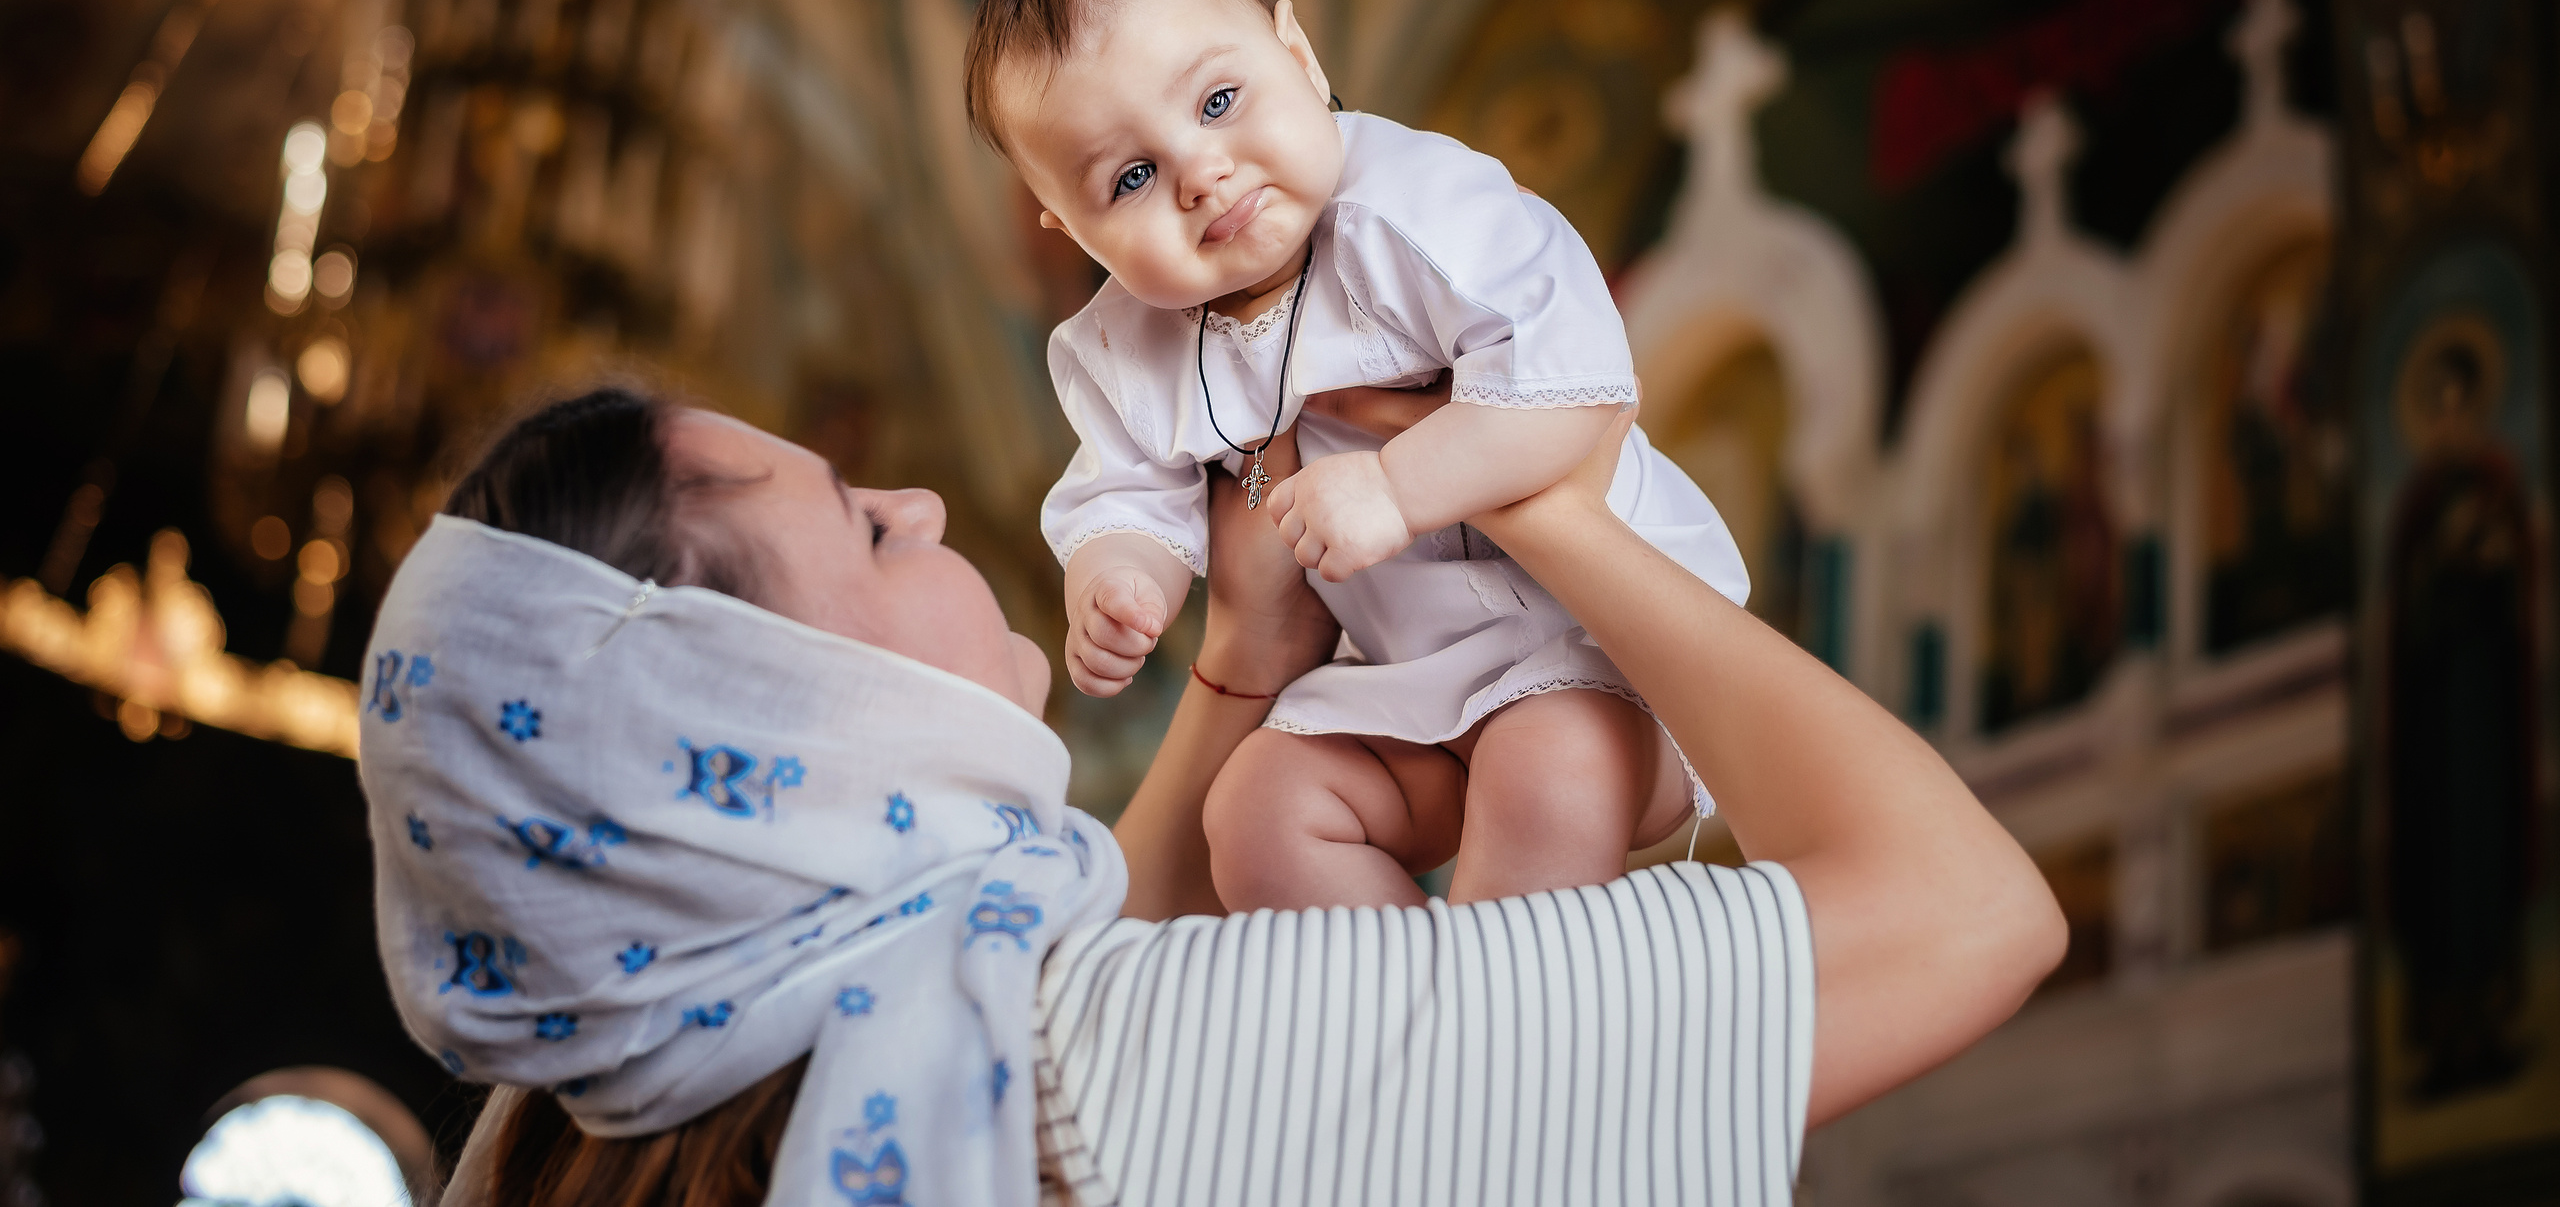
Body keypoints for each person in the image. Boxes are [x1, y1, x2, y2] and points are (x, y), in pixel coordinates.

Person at [371, 382, 2061, 1205]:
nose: (928, 500)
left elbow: (1087, 938)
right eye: (867, 528)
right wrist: (1532, 482)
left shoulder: (556, 1141)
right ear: (769, 720)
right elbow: (1967, 909)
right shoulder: (1126, 1064)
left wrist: (1248, 652)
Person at [964, 0, 1749, 911]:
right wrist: (1122, 582)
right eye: (1129, 176)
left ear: (1295, 50)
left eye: (1216, 101)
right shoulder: (1127, 347)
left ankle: (1499, 1041)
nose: (1201, 174)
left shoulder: (1415, 211)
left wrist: (1398, 482)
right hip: (1407, 681)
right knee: (1256, 809)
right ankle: (1395, 1011)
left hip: (1600, 652)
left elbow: (1579, 384)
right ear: (1069, 227)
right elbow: (1125, 494)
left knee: (1547, 767)